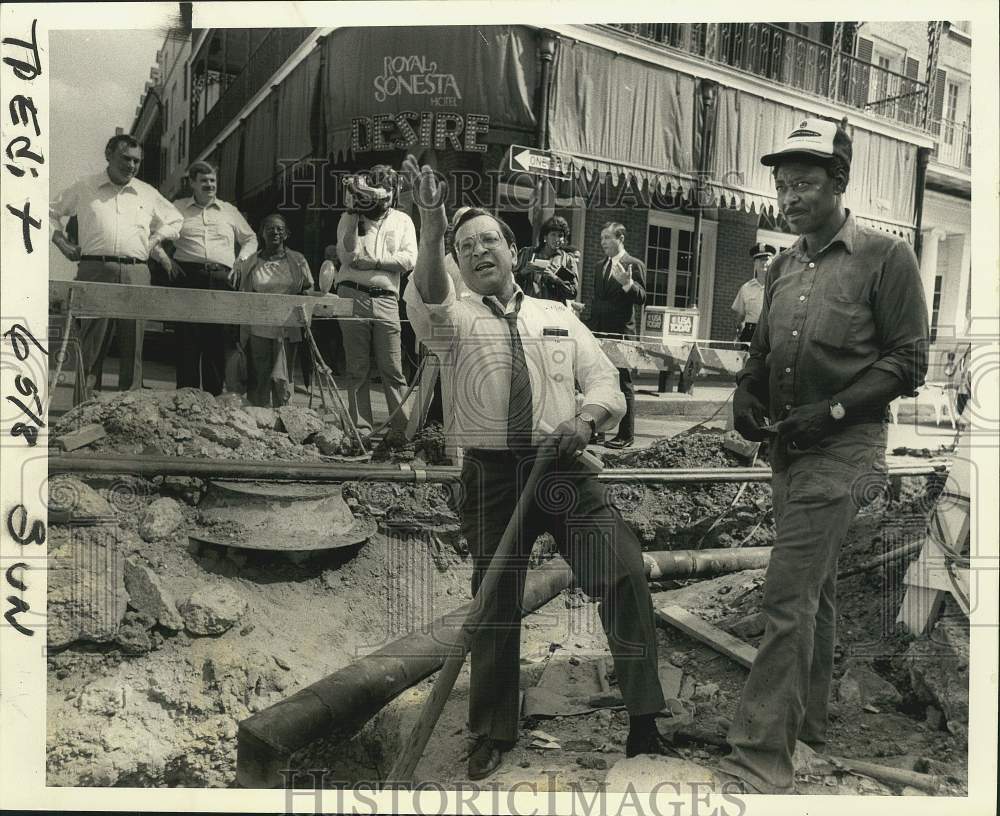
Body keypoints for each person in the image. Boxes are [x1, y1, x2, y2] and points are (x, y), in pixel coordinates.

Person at [402, 155, 670, 781]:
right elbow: (430, 291)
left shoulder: (555, 315)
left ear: (513, 250)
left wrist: (589, 418)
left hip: (564, 468)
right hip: (493, 477)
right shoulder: (452, 319)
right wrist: (434, 223)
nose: (478, 251)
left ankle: (644, 719)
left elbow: (604, 379)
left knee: (624, 572)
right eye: (465, 247)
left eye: (489, 238)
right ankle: (492, 729)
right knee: (493, 602)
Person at [719, 118, 929, 794]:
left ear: (838, 184)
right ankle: (805, 724)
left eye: (805, 184)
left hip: (846, 449)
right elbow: (759, 357)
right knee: (818, 591)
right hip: (789, 449)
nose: (791, 198)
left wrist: (834, 409)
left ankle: (758, 758)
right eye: (782, 187)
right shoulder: (782, 266)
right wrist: (744, 397)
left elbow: (908, 362)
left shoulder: (885, 258)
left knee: (786, 595)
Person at [50, 134, 182, 403]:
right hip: (95, 270)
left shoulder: (147, 192)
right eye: (125, 158)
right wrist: (61, 241)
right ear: (109, 154)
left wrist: (156, 238)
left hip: (137, 272)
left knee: (132, 345)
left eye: (136, 161)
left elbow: (176, 219)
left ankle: (127, 412)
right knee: (91, 344)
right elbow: (47, 212)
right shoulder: (84, 186)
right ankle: (84, 409)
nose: (131, 166)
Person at [336, 164, 416, 442]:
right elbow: (347, 256)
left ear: (393, 192)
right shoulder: (350, 217)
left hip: (386, 299)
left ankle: (402, 429)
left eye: (387, 187)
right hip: (352, 294)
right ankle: (361, 428)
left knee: (392, 367)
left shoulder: (403, 220)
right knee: (356, 366)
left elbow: (409, 259)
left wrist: (377, 263)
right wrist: (355, 216)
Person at [168, 161, 258, 395]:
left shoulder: (229, 210)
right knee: (187, 341)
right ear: (193, 183)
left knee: (217, 341)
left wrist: (240, 262)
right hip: (188, 277)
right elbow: (154, 232)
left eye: (213, 181)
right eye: (204, 181)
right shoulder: (177, 208)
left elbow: (251, 239)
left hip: (221, 279)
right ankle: (186, 401)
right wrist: (165, 259)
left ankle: (213, 400)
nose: (210, 185)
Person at [236, 214, 313, 408]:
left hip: (287, 328)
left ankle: (283, 421)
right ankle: (257, 421)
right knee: (258, 377)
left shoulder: (297, 260)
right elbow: (243, 294)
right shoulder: (252, 261)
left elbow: (309, 288)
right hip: (257, 328)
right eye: (269, 228)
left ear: (286, 234)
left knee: (282, 379)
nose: (275, 232)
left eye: (279, 228)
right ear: (262, 233)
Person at [586, 222, 647, 449]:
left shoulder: (634, 264)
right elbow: (598, 300)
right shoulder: (598, 266)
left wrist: (627, 284)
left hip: (621, 333)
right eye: (601, 238)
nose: (602, 242)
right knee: (598, 382)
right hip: (598, 332)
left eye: (607, 237)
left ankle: (626, 435)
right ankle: (598, 431)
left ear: (620, 238)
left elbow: (642, 297)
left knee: (623, 384)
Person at [513, 215, 579, 305]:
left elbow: (573, 293)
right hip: (529, 308)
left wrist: (555, 279)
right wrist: (524, 272)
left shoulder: (567, 260)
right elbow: (509, 282)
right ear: (545, 237)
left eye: (560, 236)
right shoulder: (527, 253)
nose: (557, 239)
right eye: (553, 235)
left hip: (553, 311)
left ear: (564, 239)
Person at [731, 242, 775, 343]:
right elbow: (740, 317)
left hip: (771, 333)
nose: (764, 263)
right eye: (760, 260)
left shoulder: (778, 287)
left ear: (772, 262)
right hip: (750, 333)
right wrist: (737, 333)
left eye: (767, 259)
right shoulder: (746, 288)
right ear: (754, 263)